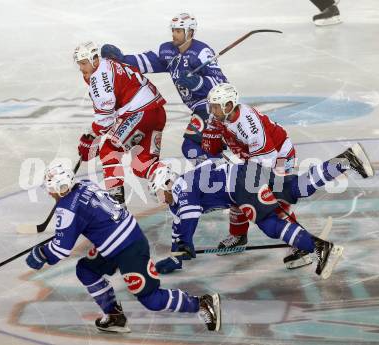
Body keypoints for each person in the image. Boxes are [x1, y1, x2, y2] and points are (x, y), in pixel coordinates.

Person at [25, 163, 221, 333]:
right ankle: (114, 316)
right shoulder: (85, 185)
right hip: (119, 240)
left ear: (58, 188)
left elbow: (61, 249)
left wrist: (41, 253)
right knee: (86, 269)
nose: (49, 192)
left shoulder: (67, 209)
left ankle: (202, 303)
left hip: (129, 249)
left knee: (151, 299)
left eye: (50, 188)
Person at [149, 142, 374, 278]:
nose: (160, 198)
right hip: (247, 173)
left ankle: (318, 248)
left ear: (168, 182)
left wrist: (185, 245)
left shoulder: (182, 188)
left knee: (269, 224)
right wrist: (176, 255)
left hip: (240, 187)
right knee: (297, 187)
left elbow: (188, 217)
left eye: (159, 192)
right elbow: (179, 226)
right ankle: (346, 160)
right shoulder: (179, 193)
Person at [100, 12, 228, 165]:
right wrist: (122, 60)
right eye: (173, 30)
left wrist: (196, 82)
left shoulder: (202, 52)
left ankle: (216, 173)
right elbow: (145, 61)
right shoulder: (168, 50)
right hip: (197, 108)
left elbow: (222, 83)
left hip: (210, 105)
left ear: (190, 32)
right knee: (201, 147)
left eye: (178, 31)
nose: (174, 34)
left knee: (191, 147)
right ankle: (221, 171)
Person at [201, 83, 305, 267]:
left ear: (229, 105)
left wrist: (251, 185)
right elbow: (211, 146)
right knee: (234, 190)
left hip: (279, 156)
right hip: (254, 158)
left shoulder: (248, 124)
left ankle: (300, 245)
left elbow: (267, 160)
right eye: (212, 105)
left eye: (216, 106)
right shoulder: (218, 117)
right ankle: (239, 235)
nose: (212, 110)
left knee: (275, 199)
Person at [74, 41, 167, 205]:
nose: (81, 68)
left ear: (94, 59)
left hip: (139, 113)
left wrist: (90, 139)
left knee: (109, 148)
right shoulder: (109, 63)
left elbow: (106, 120)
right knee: (143, 165)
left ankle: (115, 201)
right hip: (156, 113)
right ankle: (172, 183)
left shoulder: (98, 79)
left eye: (83, 63)